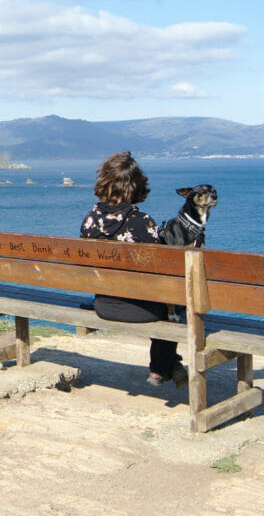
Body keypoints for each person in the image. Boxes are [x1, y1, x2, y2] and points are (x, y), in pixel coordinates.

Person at [79, 151, 187, 387]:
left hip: (103, 305)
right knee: (176, 300)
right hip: (140, 311)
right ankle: (162, 367)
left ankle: (170, 363)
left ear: (104, 182)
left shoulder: (89, 219)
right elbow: (162, 271)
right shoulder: (143, 222)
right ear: (137, 186)